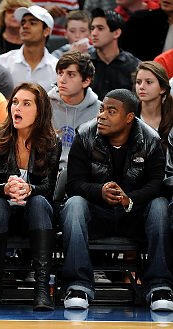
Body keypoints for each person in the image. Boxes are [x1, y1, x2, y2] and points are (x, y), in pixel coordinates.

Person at [61, 88, 173, 311]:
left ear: (129, 117)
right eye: (102, 109)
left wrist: (129, 199)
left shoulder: (151, 140)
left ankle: (159, 287)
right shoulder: (84, 134)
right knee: (73, 204)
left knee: (160, 206)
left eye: (111, 111)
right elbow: (73, 183)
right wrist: (99, 191)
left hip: (135, 215)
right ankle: (78, 285)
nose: (102, 115)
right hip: (97, 214)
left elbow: (157, 185)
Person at [0, 82, 61, 310]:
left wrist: (30, 189)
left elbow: (49, 188)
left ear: (40, 110)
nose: (18, 108)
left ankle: (42, 289)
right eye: (15, 102)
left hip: (33, 216)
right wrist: (5, 188)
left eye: (26, 104)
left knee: (39, 203)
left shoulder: (51, 143)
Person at [49, 51, 100, 168]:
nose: (62, 80)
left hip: (84, 174)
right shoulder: (44, 105)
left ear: (86, 81)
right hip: (48, 172)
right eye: (60, 73)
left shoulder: (99, 111)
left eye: (71, 75)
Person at [0, 5, 58, 93]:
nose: (25, 26)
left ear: (46, 31)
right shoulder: (1, 62)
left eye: (32, 23)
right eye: (22, 23)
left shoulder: (57, 68)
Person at [89, 9, 140, 100]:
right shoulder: (84, 64)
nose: (94, 33)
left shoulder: (134, 66)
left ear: (116, 33)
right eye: (92, 28)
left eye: (100, 28)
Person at [134, 61, 173, 149]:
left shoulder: (171, 117)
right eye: (138, 82)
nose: (141, 87)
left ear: (162, 88)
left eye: (149, 82)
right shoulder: (129, 116)